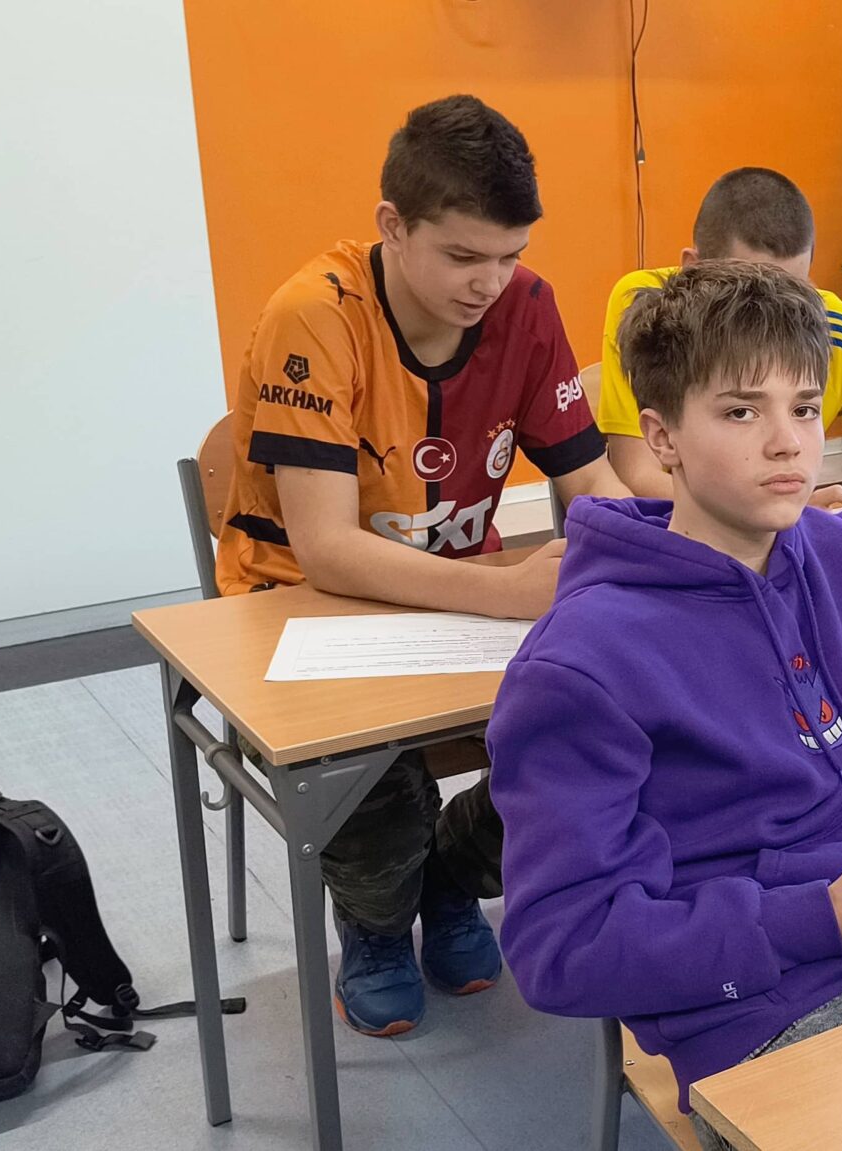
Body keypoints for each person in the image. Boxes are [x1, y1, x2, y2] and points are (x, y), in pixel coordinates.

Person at [486, 260, 842, 1149]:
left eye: (805, 407)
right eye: (742, 412)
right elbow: (564, 949)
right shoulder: (582, 662)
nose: (789, 443)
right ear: (663, 437)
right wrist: (822, 918)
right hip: (765, 1024)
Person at [213, 95, 630, 1037]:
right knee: (377, 780)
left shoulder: (526, 305)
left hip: (453, 605)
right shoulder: (314, 316)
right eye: (463, 256)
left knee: (601, 729)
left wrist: (667, 557)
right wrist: (507, 591)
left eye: (510, 255)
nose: (491, 282)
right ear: (392, 226)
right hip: (299, 609)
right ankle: (375, 922)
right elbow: (325, 550)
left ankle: (447, 875)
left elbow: (591, 481)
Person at [593, 167, 842, 536]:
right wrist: (788, 513)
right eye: (745, 295)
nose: (775, 313)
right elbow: (636, 472)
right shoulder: (650, 310)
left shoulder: (833, 326)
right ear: (693, 269)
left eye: (794, 292)